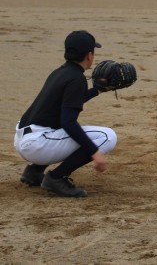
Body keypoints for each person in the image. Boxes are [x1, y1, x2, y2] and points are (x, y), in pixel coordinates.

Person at [14, 30, 117, 197]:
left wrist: (97, 90)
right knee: (107, 137)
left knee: (60, 129)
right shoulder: (77, 79)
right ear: (89, 55)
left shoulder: (60, 72)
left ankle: (34, 172)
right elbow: (68, 122)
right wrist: (95, 152)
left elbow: (69, 101)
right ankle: (56, 178)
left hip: (24, 139)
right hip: (37, 144)